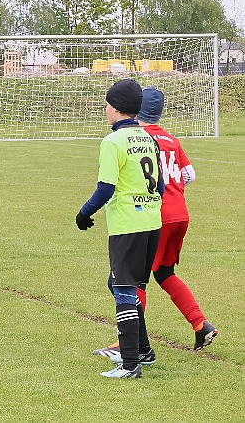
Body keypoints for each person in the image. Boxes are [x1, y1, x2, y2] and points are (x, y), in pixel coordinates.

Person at [93, 86, 218, 360]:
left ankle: (130, 345)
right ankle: (200, 323)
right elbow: (190, 175)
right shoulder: (171, 140)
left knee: (131, 279)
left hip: (152, 215)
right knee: (163, 273)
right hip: (180, 215)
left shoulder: (134, 137)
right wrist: (174, 190)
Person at [76, 79, 164, 378]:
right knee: (123, 285)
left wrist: (84, 212)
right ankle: (143, 350)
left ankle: (130, 364)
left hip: (128, 224)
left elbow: (106, 187)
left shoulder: (112, 142)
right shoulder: (148, 138)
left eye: (106, 104)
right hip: (152, 222)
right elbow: (161, 187)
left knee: (124, 289)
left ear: (113, 108)